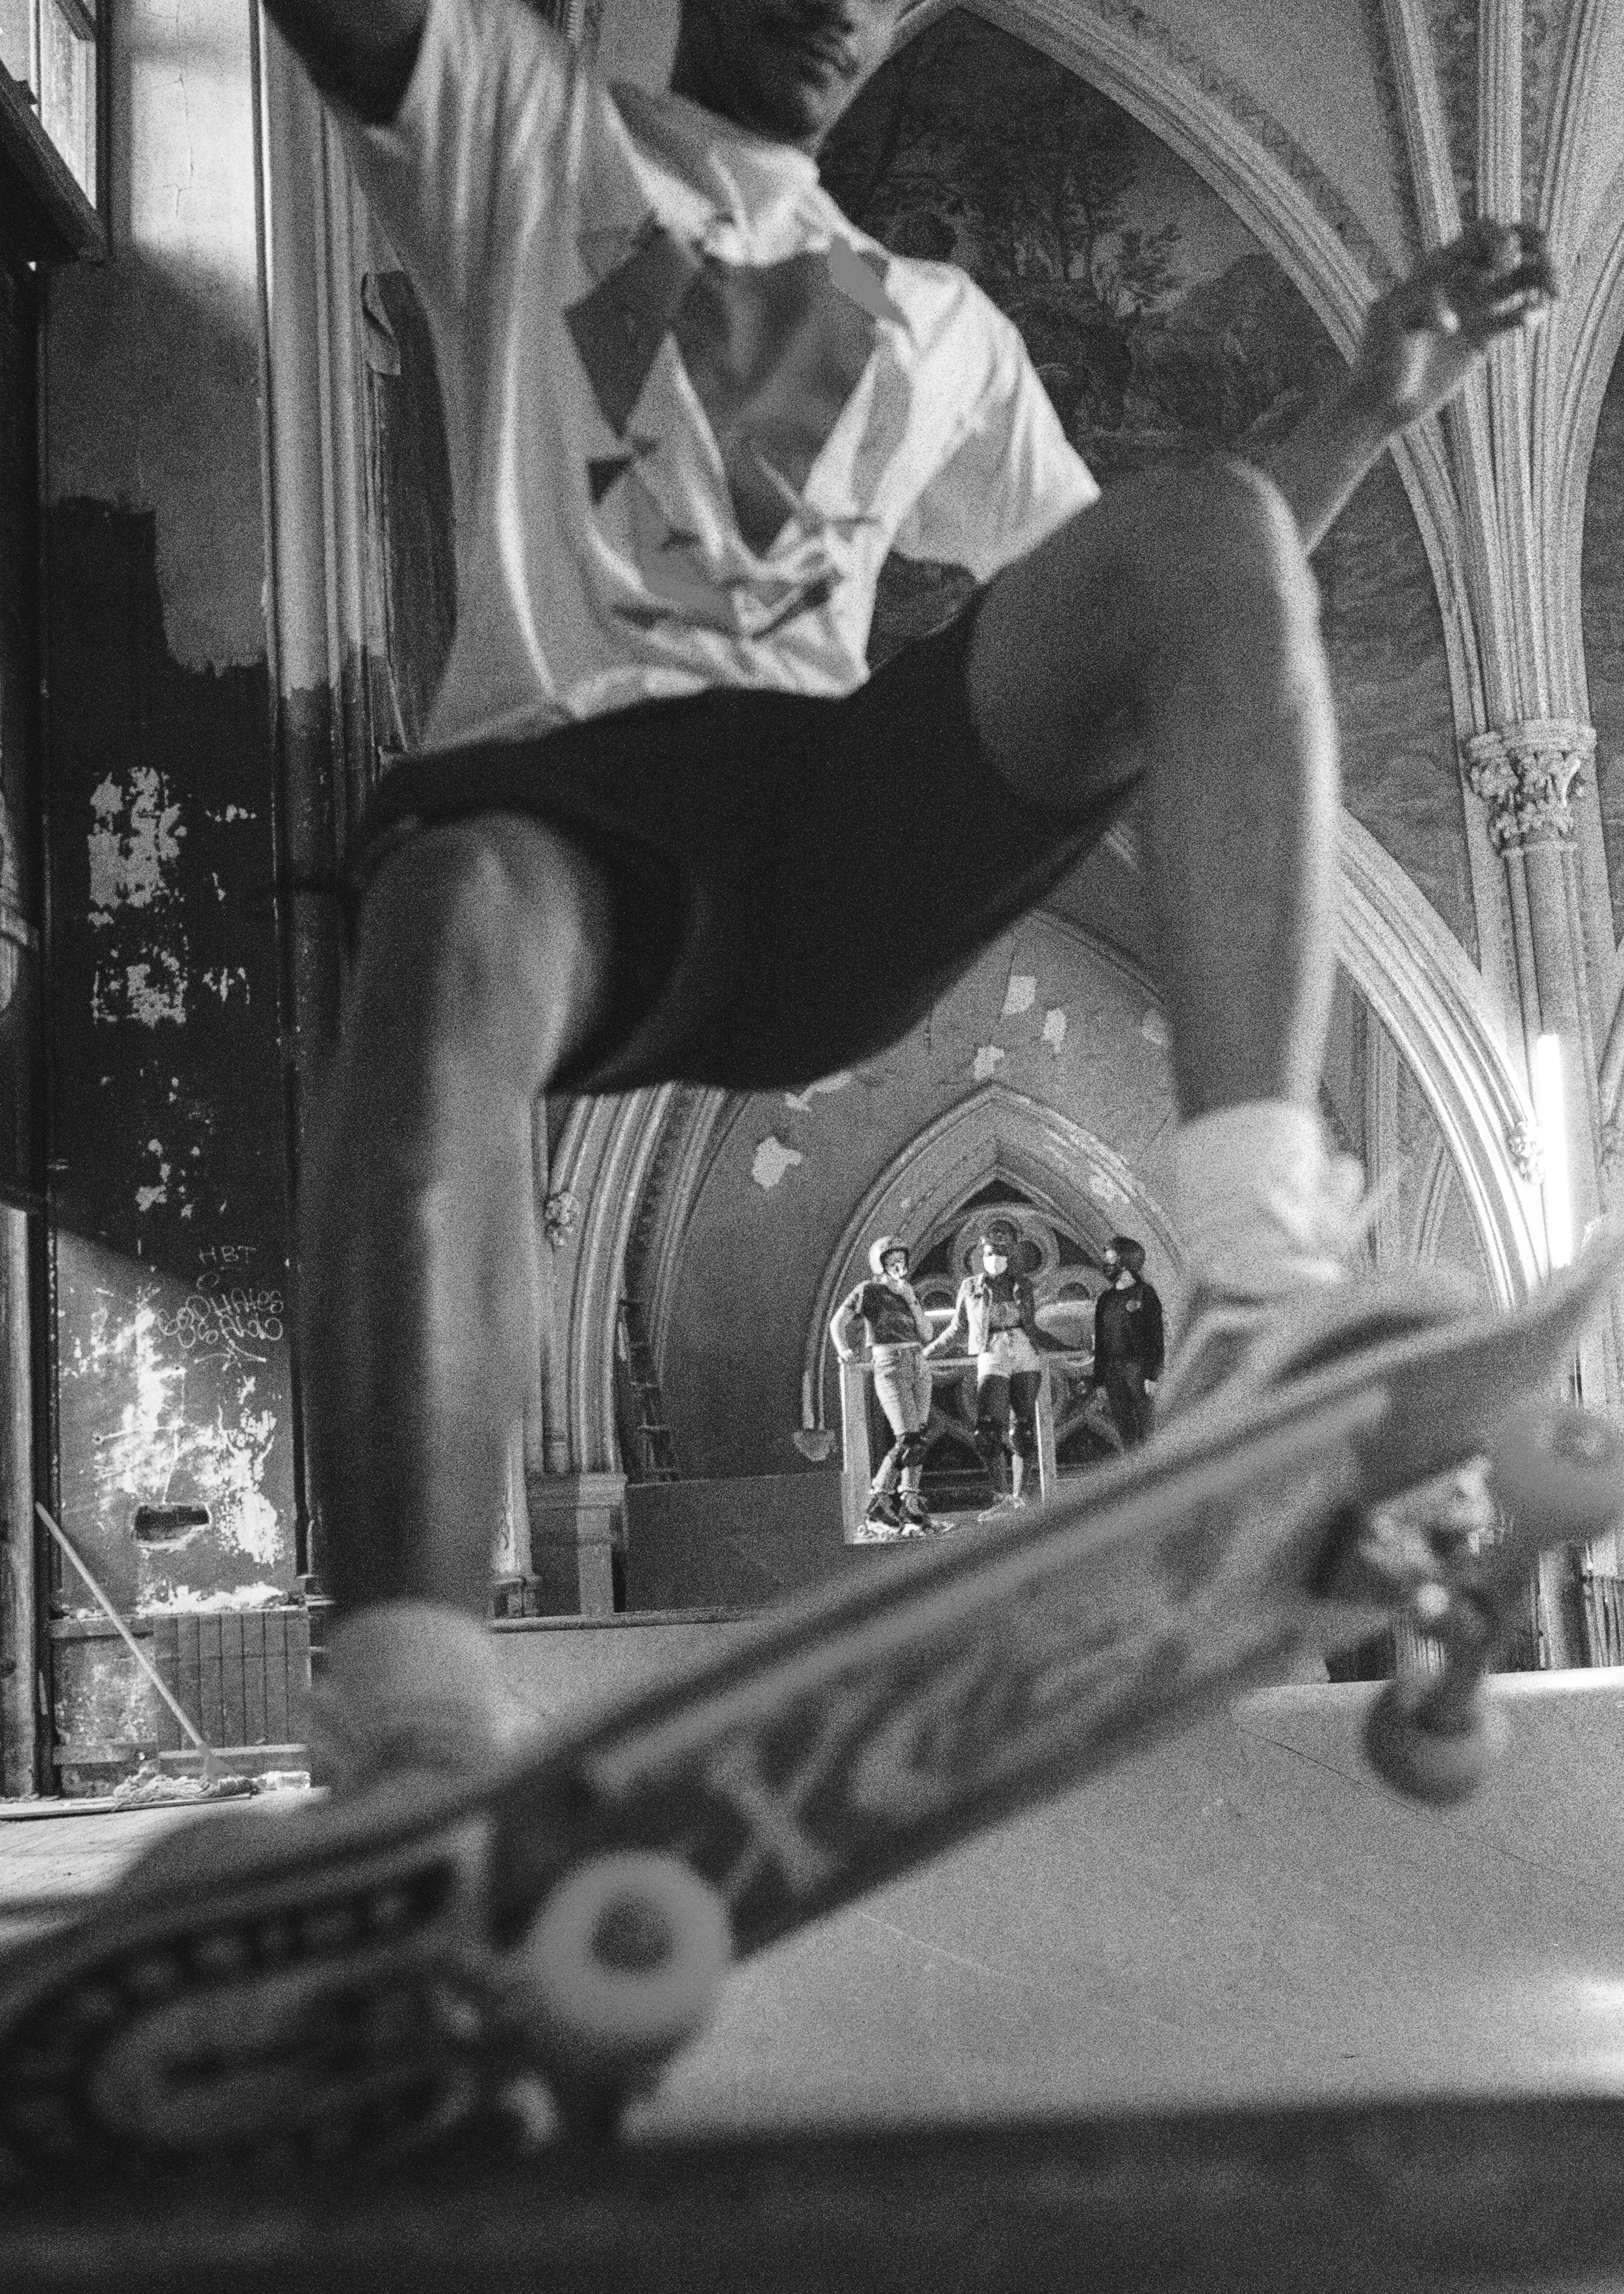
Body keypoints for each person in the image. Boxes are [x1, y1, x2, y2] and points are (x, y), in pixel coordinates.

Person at [112, 1, 1553, 1835]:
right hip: (569, 823)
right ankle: (409, 1709)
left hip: (822, 830)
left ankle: (1258, 1295)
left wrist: (1367, 398)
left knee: (1210, 523)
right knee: (445, 905)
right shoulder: (533, 133)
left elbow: (1180, 612)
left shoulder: (933, 327)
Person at [924, 1223, 1069, 1510]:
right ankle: (1001, 1496)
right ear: (982, 1255)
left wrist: (1065, 1348)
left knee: (1023, 1430)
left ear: (1011, 1256)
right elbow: (958, 1328)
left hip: (1023, 1350)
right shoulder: (971, 1286)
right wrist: (927, 1353)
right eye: (990, 1253)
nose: (996, 1259)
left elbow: (1033, 1327)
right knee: (988, 1430)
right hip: (992, 1351)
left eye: (1002, 1254)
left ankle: (1019, 1496)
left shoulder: (1022, 1285)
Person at [830, 1235, 939, 1533]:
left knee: (919, 1439)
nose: (898, 1265)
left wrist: (911, 1299)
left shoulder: (908, 1292)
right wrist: (843, 1349)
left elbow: (927, 1333)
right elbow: (838, 1321)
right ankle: (878, 1501)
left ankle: (910, 1504)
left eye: (902, 1260)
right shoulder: (868, 1290)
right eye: (891, 1260)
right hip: (890, 1364)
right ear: (880, 1264)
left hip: (918, 1363)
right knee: (908, 1439)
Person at [1091, 1236, 1164, 1449]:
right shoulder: (1105, 1299)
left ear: (1125, 1263)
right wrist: (1099, 1380)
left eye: (1111, 1260)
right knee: (1124, 1426)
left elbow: (1155, 1336)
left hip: (1138, 1368)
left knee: (1146, 1423)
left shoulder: (1145, 1293)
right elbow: (1101, 1342)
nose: (1106, 1265)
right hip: (1112, 1370)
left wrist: (1152, 1375)